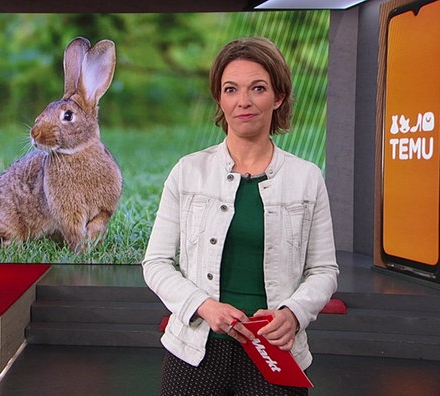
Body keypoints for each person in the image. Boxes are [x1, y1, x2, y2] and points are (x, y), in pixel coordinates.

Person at [142, 37, 339, 395]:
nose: (243, 101)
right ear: (220, 98)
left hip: (274, 349)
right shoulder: (188, 172)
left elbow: (324, 271)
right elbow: (155, 262)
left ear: (278, 97)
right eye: (231, 89)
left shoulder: (306, 178)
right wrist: (204, 306)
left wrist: (293, 313)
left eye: (258, 88)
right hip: (195, 347)